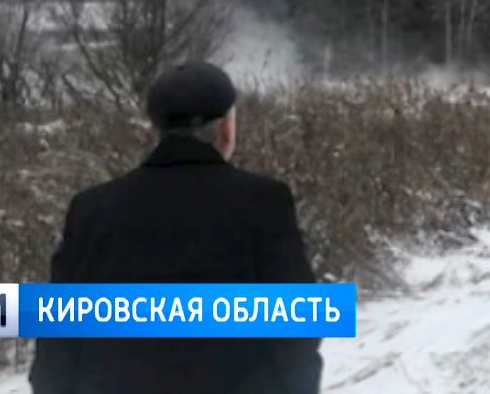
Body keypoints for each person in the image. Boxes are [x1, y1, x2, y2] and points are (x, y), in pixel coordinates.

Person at [30, 62, 323, 394]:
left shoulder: (91, 209)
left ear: (153, 131)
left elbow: (56, 345)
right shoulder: (264, 202)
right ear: (226, 128)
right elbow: (297, 331)